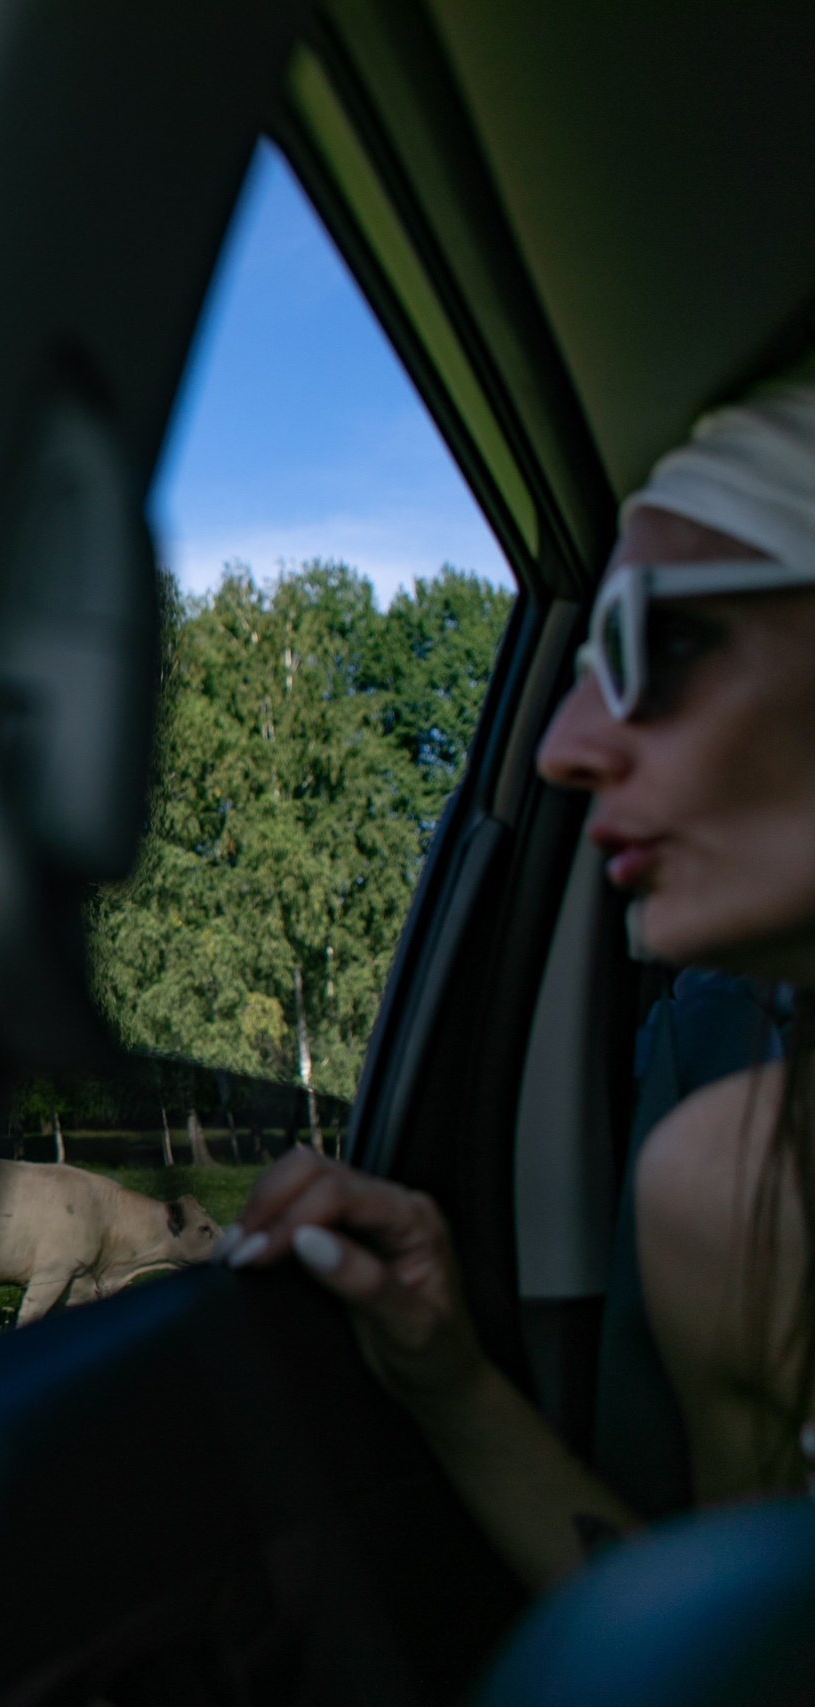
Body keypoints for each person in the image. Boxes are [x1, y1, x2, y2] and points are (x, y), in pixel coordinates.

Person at [223, 358, 815, 1588]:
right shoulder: (734, 1200)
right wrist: (448, 1383)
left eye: (666, 637)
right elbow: (729, 1649)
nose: (561, 745)